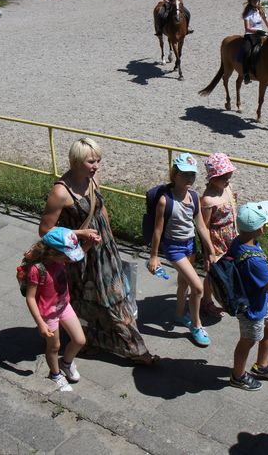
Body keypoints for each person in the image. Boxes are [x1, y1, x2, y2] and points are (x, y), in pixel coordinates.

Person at [39, 138, 159, 365]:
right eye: (91, 161)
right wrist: (80, 234)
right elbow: (45, 230)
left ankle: (135, 349)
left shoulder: (92, 178)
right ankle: (91, 340)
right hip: (81, 254)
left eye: (98, 161)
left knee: (116, 298)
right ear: (75, 162)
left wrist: (111, 239)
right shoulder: (60, 192)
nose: (97, 166)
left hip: (103, 250)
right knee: (84, 298)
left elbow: (100, 209)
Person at [148, 153, 215, 347]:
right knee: (198, 287)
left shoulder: (194, 196)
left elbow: (201, 226)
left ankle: (179, 314)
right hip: (174, 248)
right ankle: (196, 325)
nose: (189, 179)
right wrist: (154, 257)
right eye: (185, 174)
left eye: (192, 175)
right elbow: (157, 231)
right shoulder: (165, 201)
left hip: (190, 244)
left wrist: (209, 249)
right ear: (174, 174)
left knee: (184, 284)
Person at [20, 227, 88, 392]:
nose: (68, 259)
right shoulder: (37, 270)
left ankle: (66, 363)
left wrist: (88, 244)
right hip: (48, 314)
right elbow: (30, 298)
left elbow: (72, 258)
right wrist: (41, 324)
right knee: (54, 347)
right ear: (53, 253)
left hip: (64, 306)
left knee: (80, 340)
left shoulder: (59, 259)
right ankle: (55, 374)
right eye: (66, 255)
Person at [227, 201, 268, 390]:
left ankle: (262, 365)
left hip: (259, 300)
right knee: (248, 340)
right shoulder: (254, 261)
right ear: (260, 229)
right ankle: (238, 375)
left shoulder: (239, 242)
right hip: (251, 308)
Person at [200, 152, 238, 317]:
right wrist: (209, 252)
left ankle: (228, 295)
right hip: (216, 241)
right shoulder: (208, 200)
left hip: (231, 235)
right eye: (224, 177)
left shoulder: (227, 188)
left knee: (230, 268)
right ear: (212, 178)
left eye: (229, 176)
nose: (228, 180)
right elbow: (204, 226)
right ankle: (206, 301)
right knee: (213, 273)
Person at [242, 0, 268, 85]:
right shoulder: (247, 13)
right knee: (246, 52)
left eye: (256, 0)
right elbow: (247, 28)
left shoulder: (261, 11)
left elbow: (267, 24)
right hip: (250, 35)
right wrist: (258, 31)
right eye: (253, 0)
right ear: (250, 1)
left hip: (262, 34)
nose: (255, 2)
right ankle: (246, 74)